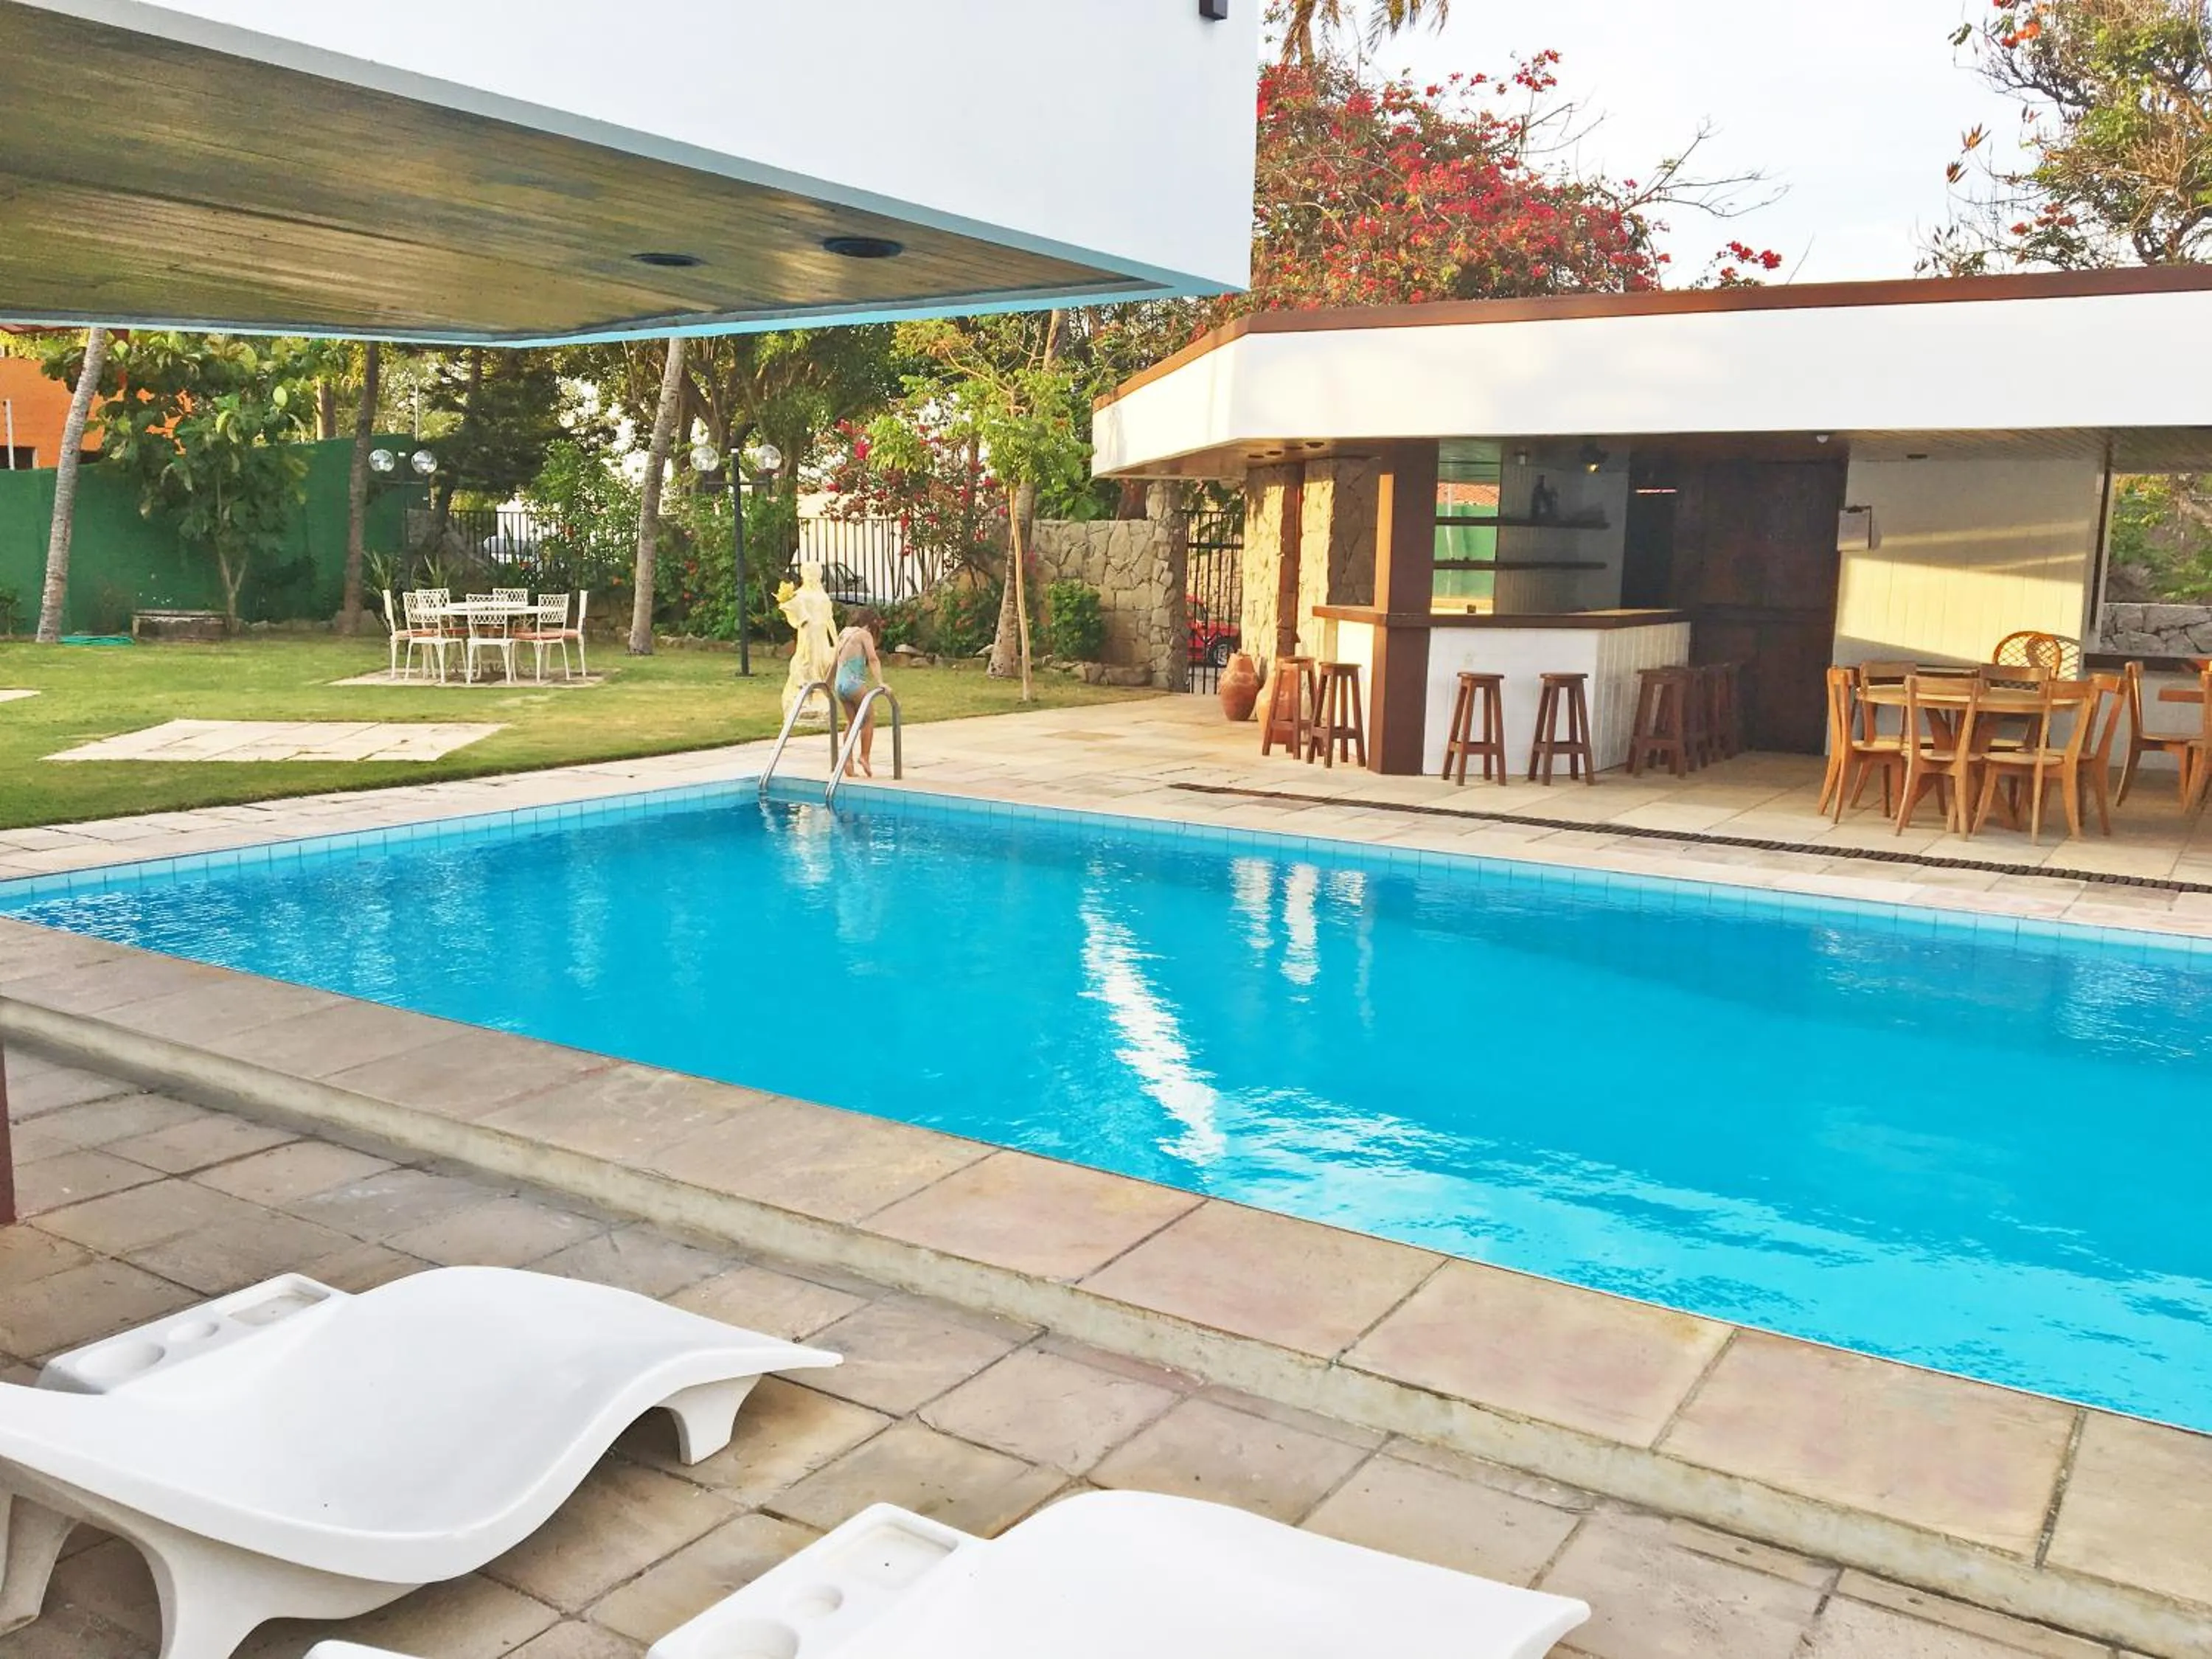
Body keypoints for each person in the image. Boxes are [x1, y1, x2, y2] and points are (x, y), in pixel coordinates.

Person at [830, 608, 888, 776]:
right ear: (872, 624)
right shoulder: (865, 635)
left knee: (853, 721)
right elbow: (872, 659)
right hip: (854, 683)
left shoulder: (844, 633)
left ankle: (847, 760)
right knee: (869, 717)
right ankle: (865, 756)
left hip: (840, 685)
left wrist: (826, 684)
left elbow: (834, 662)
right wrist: (880, 682)